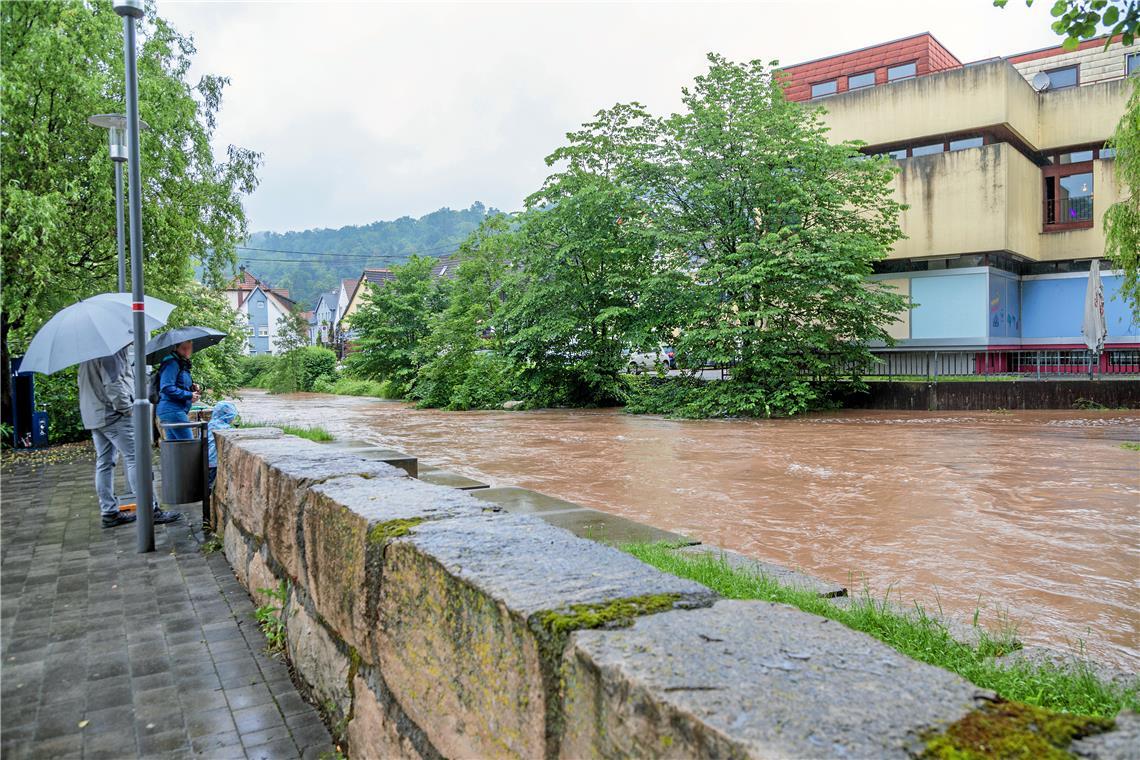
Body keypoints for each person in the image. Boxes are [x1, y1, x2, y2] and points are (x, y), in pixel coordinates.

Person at [78, 345, 182, 528]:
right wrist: (127, 410)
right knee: (137, 458)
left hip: (94, 415)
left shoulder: (90, 351)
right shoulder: (111, 352)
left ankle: (109, 512)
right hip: (113, 415)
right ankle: (150, 510)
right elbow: (114, 385)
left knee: (105, 462)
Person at [156, 340, 199, 440]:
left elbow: (179, 384)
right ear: (176, 348)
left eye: (189, 348)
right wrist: (189, 395)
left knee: (175, 449)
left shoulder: (181, 364)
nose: (187, 351)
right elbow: (166, 387)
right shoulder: (172, 363)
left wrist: (192, 387)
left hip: (171, 411)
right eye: (184, 348)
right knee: (188, 446)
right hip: (173, 410)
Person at [206, 400, 238, 490]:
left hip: (205, 459)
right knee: (212, 485)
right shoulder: (225, 428)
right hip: (214, 461)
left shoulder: (210, 424)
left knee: (207, 482)